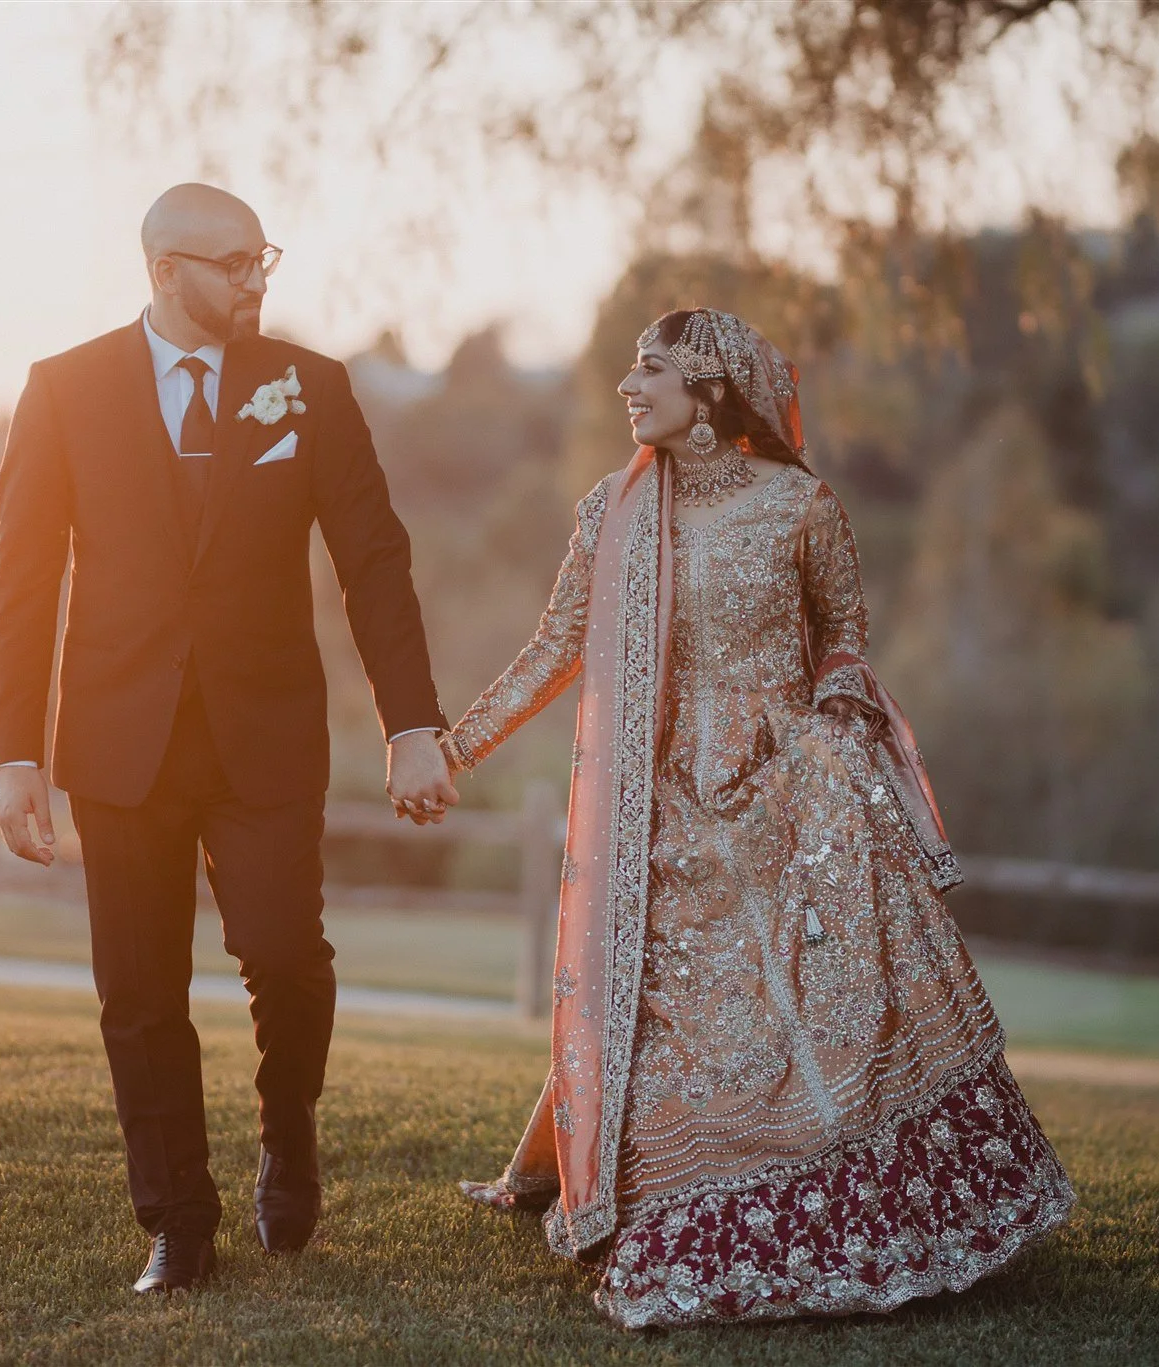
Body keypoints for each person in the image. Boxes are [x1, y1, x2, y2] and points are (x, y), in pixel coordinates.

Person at [445, 308, 1074, 1327]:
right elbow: (554, 647)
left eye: (649, 369)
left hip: (797, 802)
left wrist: (831, 734)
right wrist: (454, 749)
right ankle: (677, 1204)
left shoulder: (798, 505)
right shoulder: (612, 513)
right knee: (678, 1021)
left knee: (834, 1017)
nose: (628, 387)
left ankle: (865, 1211)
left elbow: (845, 633)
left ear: (709, 391)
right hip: (667, 819)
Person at [0, 183, 458, 1294]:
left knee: (287, 956)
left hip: (266, 736)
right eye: (235, 262)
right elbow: (23, 581)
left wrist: (412, 723)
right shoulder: (63, 390)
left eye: (263, 258)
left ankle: (287, 1130)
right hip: (119, 742)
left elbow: (373, 561)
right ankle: (179, 1222)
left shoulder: (311, 386)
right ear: (165, 272)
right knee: (138, 991)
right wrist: (15, 753)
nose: (257, 279)